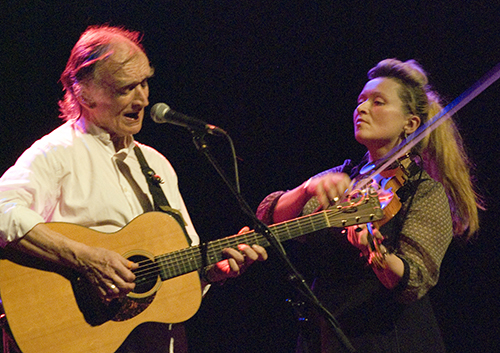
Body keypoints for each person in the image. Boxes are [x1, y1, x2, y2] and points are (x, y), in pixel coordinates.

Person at [0, 25, 267, 353]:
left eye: (144, 83)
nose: (142, 99)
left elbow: (173, 274)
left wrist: (213, 272)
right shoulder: (56, 154)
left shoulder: (156, 164)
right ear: (83, 91)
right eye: (126, 88)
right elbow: (3, 211)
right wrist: (87, 259)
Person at [256, 59, 482, 352]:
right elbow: (269, 219)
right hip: (324, 334)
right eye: (361, 101)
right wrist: (305, 189)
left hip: (388, 338)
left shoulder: (423, 190)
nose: (361, 109)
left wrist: (373, 250)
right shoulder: (345, 176)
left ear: (410, 123)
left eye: (378, 102)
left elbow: (414, 279)